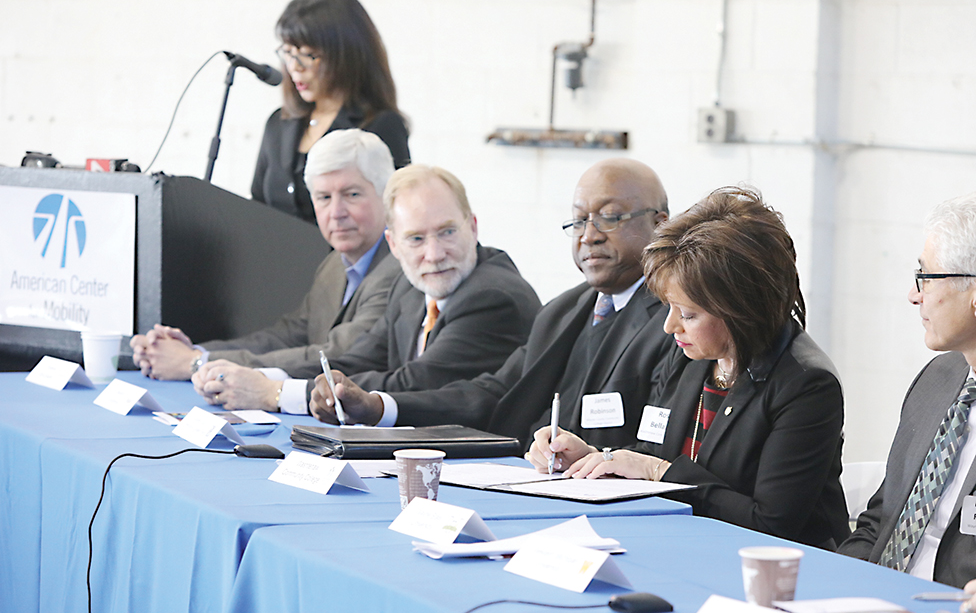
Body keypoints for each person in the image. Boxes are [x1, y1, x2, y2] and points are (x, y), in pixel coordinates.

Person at [538, 187, 849, 549]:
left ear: (741, 308)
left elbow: (770, 523)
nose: (670, 327)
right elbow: (654, 450)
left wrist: (660, 474)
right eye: (669, 308)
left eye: (687, 314)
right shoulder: (693, 356)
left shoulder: (807, 385)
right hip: (687, 544)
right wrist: (596, 458)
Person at [309, 158, 675, 451]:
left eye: (609, 217)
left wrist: (594, 461)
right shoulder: (564, 311)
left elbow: (660, 448)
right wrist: (378, 407)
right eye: (580, 220)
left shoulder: (675, 319)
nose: (590, 236)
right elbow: (494, 394)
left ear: (660, 225)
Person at [193, 164, 541, 413]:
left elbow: (415, 383)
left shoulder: (493, 297)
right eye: (416, 239)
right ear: (393, 244)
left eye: (447, 232)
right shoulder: (410, 287)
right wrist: (259, 376)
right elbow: (358, 358)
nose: (434, 255)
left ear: (474, 227)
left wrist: (277, 393)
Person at [131, 129, 402, 389]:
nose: (336, 212)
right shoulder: (334, 263)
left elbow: (340, 355)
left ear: (386, 194)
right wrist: (194, 350)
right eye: (323, 197)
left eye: (352, 194)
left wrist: (196, 363)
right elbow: (288, 335)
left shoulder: (398, 267)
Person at [838, 192, 976, 587]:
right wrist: (834, 580)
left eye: (926, 277)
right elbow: (882, 518)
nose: (914, 295)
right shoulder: (938, 379)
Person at [253, 0, 410, 223]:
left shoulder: (381, 126)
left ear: (345, 55)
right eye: (288, 52)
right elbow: (257, 208)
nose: (295, 67)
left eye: (308, 54)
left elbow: (396, 217)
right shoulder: (279, 123)